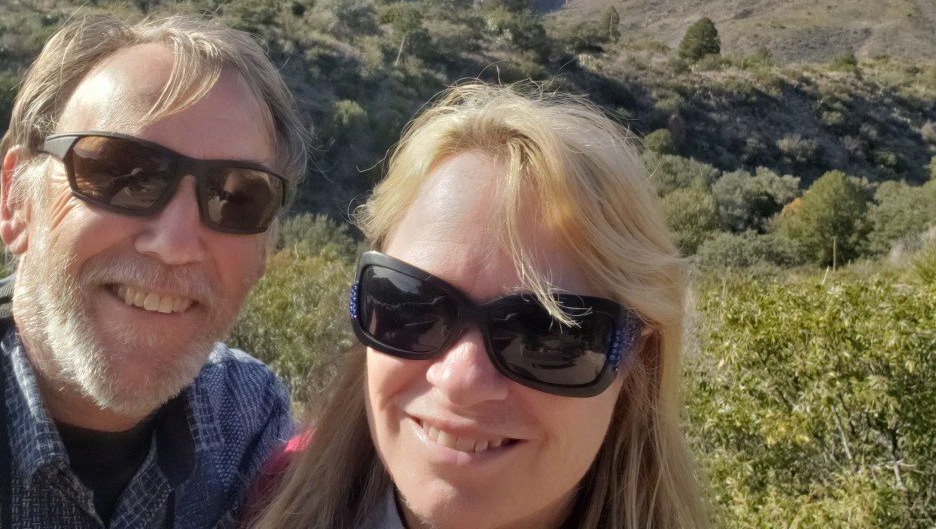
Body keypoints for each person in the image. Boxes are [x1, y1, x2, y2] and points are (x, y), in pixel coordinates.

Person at [248, 82, 711, 529]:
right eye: (412, 305)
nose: (460, 381)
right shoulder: (256, 494)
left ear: (636, 360)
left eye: (544, 335)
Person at [0, 14, 309, 528]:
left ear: (261, 256)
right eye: (121, 174)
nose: (175, 244)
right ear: (16, 201)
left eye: (236, 197)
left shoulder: (248, 421)